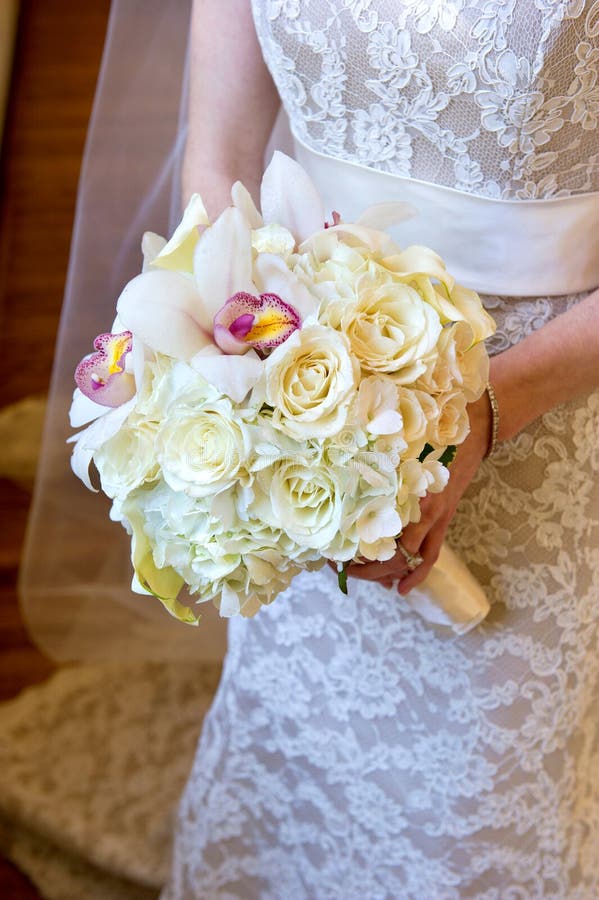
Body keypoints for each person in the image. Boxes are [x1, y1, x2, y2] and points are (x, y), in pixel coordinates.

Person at [12, 0, 599, 898]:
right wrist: (233, 391)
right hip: (289, 380)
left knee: (482, 786)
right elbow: (217, 162)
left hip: (546, 407)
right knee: (294, 744)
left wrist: (483, 412)